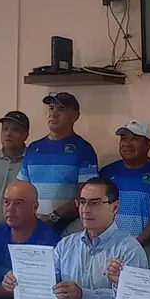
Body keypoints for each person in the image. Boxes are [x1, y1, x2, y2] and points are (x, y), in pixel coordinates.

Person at [2, 177, 147, 299]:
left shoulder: (129, 249)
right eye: (82, 202)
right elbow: (44, 283)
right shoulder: (66, 244)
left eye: (94, 203)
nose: (85, 210)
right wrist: (19, 280)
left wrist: (84, 297)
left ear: (115, 207)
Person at [18, 92, 99, 235]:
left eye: (61, 109)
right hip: (34, 227)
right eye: (51, 108)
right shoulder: (33, 148)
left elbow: (85, 194)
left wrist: (54, 217)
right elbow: (22, 189)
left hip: (69, 229)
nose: (53, 114)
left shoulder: (83, 149)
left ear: (75, 116)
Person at [99, 120, 150, 258]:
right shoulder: (107, 173)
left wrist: (134, 245)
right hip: (106, 250)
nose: (127, 143)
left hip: (144, 250)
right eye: (123, 138)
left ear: (148, 144)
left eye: (135, 138)